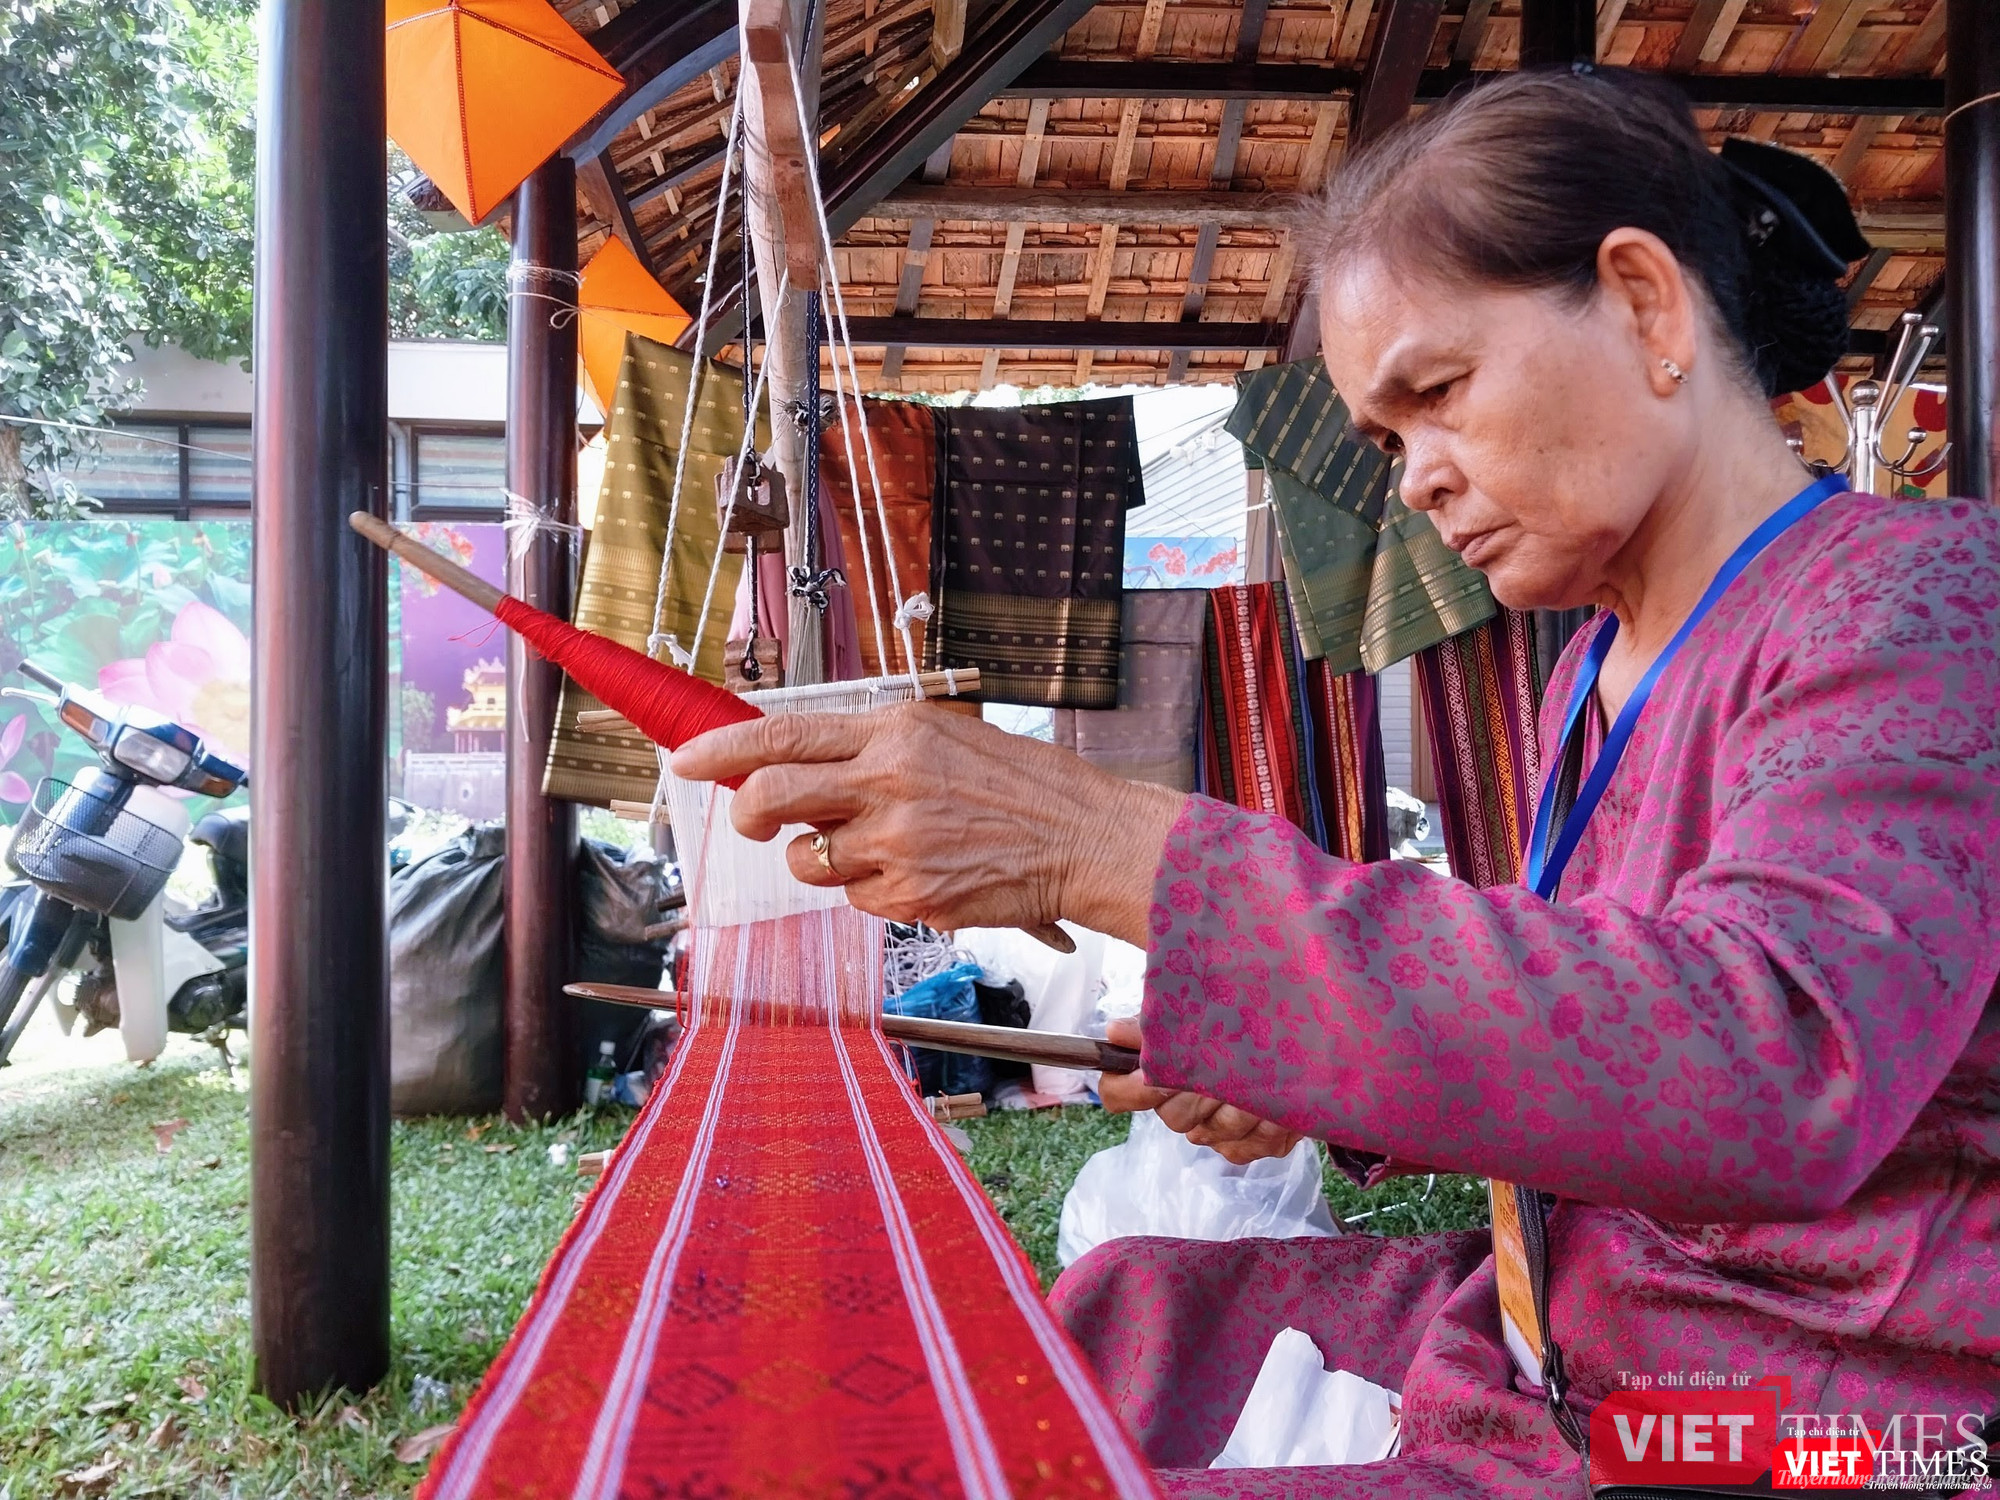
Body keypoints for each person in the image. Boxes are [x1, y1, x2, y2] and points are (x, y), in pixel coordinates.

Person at [673, 68, 2000, 1498]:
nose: (1416, 480)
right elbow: (1592, 1033)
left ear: (1644, 305)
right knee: (1122, 1314)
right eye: (1385, 439)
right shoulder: (1591, 670)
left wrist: (1114, 846)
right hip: (1578, 1336)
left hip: (1811, 1422)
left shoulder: (1923, 604)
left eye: (1437, 394)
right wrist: (1308, 1074)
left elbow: (1776, 1061)